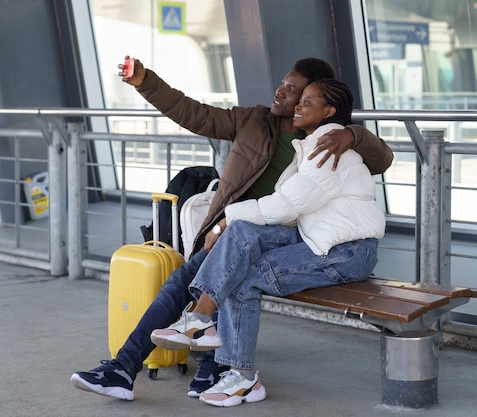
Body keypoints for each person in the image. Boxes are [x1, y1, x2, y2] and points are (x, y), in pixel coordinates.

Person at [70, 58, 393, 401]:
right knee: (185, 279)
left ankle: (213, 363)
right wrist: (145, 81)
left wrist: (352, 133)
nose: (284, 95)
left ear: (318, 105)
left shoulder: (323, 141)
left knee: (224, 271)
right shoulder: (254, 120)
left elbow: (382, 159)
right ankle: (129, 366)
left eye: (296, 93)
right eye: (285, 87)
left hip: (286, 234)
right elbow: (195, 113)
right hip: (243, 228)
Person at [150, 78, 385, 407]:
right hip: (317, 236)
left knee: (245, 276)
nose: (298, 107)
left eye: (308, 102)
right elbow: (287, 207)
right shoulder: (313, 146)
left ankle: (240, 373)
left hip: (346, 252)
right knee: (244, 232)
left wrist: (226, 217)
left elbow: (286, 206)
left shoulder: (327, 151)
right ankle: (203, 322)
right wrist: (234, 223)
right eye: (300, 100)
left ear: (329, 111)